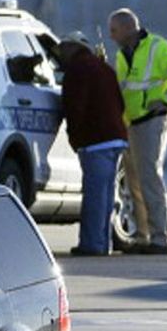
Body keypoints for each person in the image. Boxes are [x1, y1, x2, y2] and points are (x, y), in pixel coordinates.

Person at [108, 8, 167, 255]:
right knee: (134, 181)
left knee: (149, 177)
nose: (111, 35)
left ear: (127, 28)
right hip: (132, 124)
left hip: (152, 120)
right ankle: (143, 235)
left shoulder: (157, 47)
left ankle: (160, 237)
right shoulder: (122, 54)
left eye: (114, 30)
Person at [57, 32, 128, 256]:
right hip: (116, 138)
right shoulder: (103, 67)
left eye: (63, 50)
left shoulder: (77, 70)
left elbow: (75, 107)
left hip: (96, 141)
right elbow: (120, 102)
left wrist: (74, 137)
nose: (60, 55)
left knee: (95, 196)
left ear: (72, 48)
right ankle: (102, 242)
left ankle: (92, 245)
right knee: (105, 195)